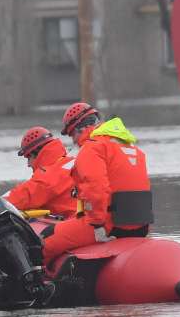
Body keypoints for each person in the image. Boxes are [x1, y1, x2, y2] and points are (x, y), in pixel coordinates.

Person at [41, 102, 154, 265]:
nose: (73, 141)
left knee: (46, 239)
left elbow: (96, 189)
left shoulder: (93, 148)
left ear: (79, 129)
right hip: (140, 226)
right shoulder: (131, 147)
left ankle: (35, 285)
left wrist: (98, 226)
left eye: (72, 135)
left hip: (108, 225)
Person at [3, 126, 77, 219]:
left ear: (36, 154)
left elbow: (25, 195)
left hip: (77, 225)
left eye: (28, 158)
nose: (28, 164)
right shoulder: (71, 162)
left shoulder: (50, 174)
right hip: (89, 220)